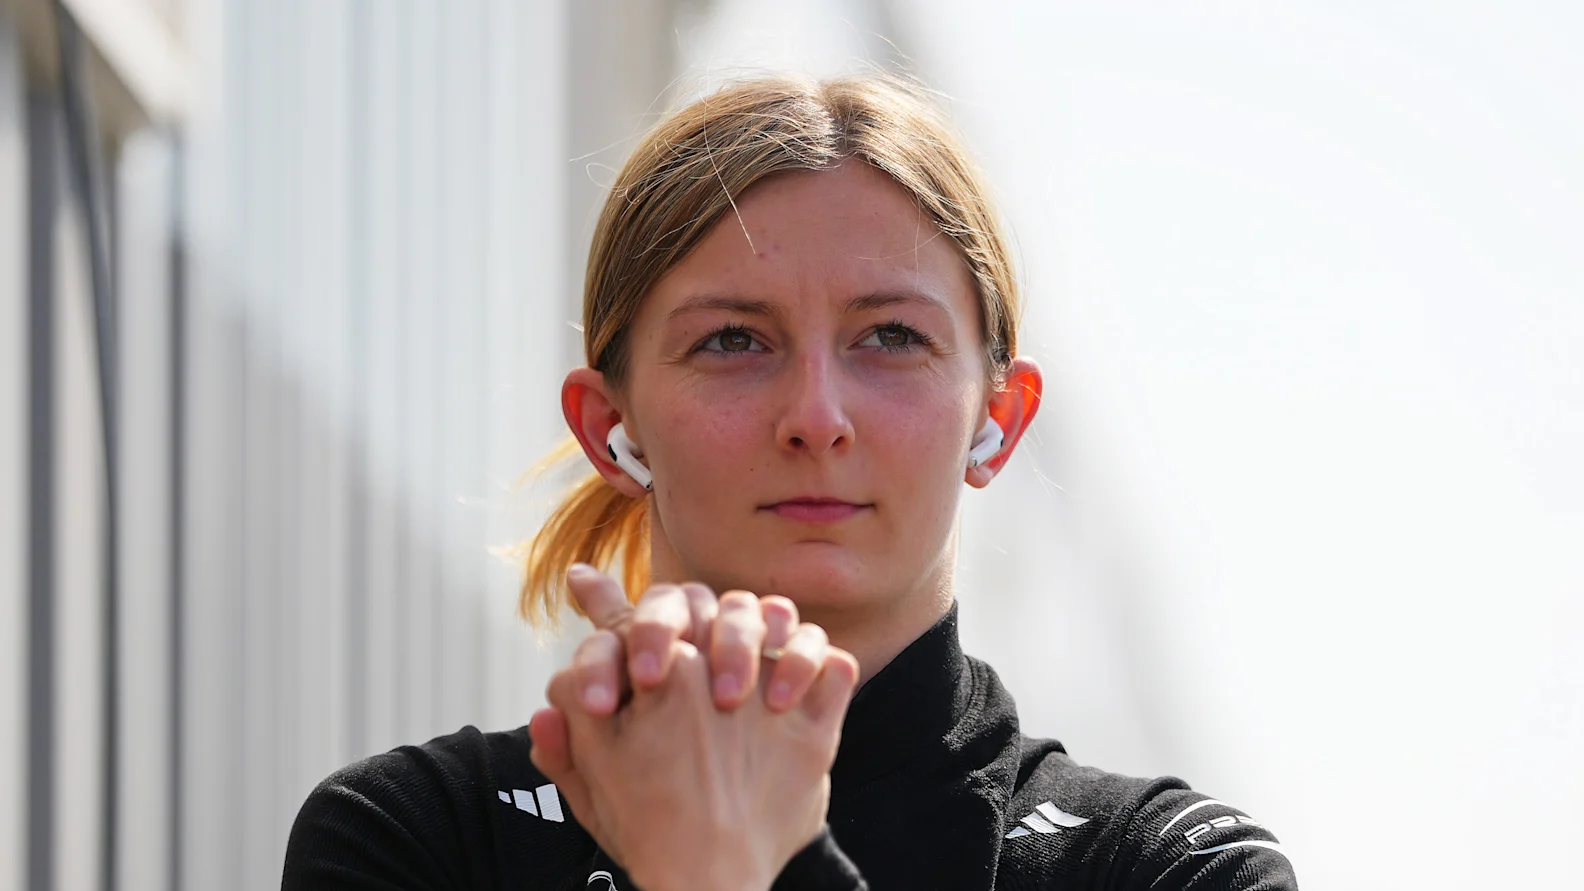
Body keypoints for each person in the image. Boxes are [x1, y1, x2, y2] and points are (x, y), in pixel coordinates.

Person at [282, 74, 1298, 891]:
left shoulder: (1169, 867)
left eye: (891, 337)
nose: (817, 416)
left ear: (998, 420)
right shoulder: (418, 840)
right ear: (610, 427)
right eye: (733, 340)